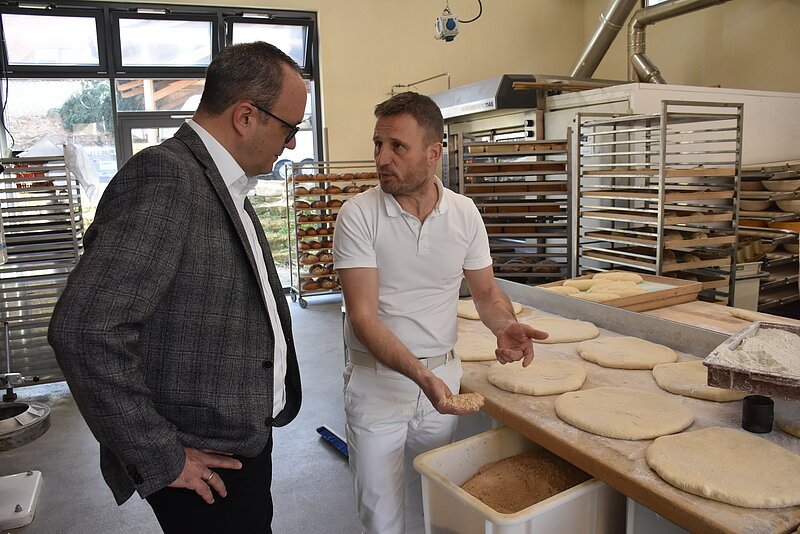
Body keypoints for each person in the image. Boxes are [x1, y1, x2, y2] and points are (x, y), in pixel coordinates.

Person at [48, 41, 305, 534]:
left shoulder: (223, 184)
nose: (291, 143)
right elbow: (84, 329)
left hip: (240, 439)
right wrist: (161, 455)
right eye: (289, 128)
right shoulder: (167, 178)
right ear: (246, 116)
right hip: (203, 460)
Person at [333, 92, 548, 534]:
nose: (382, 158)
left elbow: (486, 292)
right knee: (382, 517)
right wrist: (419, 375)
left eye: (397, 146)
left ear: (434, 153)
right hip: (379, 388)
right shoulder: (358, 215)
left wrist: (505, 324)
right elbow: (364, 317)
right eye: (378, 145)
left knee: (441, 501)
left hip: (442, 385)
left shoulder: (464, 213)